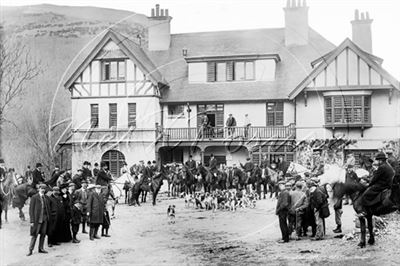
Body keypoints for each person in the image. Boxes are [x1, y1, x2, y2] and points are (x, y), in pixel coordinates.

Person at [27, 184, 50, 256]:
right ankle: (30, 250)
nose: (43, 190)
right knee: (35, 235)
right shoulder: (34, 197)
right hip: (37, 220)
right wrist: (32, 221)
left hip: (44, 219)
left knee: (43, 234)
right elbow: (31, 210)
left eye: (44, 189)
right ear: (39, 189)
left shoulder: (46, 197)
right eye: (41, 188)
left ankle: (41, 248)